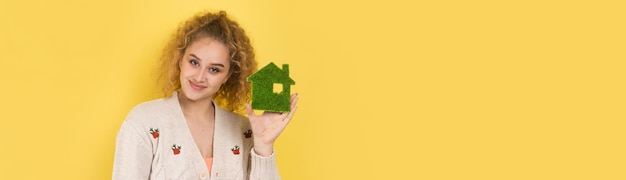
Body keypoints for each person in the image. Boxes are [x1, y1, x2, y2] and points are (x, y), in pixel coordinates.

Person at [112, 11, 298, 180]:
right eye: (194, 62)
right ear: (180, 60)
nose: (200, 77)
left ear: (227, 76)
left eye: (214, 69)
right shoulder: (143, 123)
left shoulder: (244, 130)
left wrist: (264, 145)